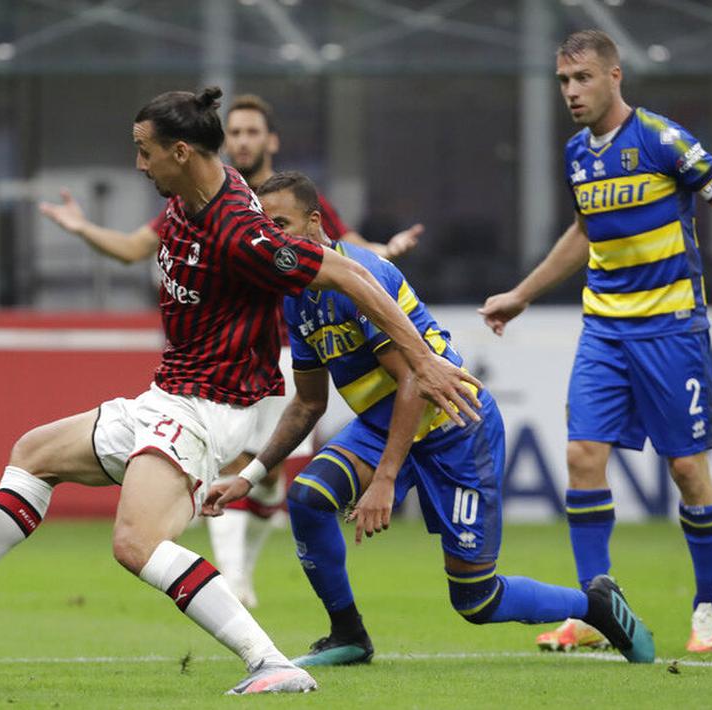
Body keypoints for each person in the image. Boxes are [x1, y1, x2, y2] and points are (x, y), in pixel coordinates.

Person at [0, 87, 482, 695]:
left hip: (212, 404)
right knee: (34, 451)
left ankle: (271, 662)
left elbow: (348, 270)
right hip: (168, 393)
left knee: (135, 543)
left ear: (179, 151)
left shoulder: (241, 233)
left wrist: (422, 359)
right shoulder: (183, 199)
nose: (138, 165)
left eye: (144, 153)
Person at [204, 170, 655, 668]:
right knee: (309, 499)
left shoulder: (359, 278)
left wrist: (386, 480)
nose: (273, 239)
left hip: (456, 427)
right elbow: (308, 404)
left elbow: (416, 379)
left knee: (477, 601)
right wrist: (250, 475)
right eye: (265, 229)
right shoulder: (296, 296)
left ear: (315, 223)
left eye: (282, 224)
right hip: (384, 425)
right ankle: (348, 635)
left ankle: (595, 605)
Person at [479, 30, 712, 654]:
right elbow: (585, 230)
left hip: (672, 329)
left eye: (581, 79)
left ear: (614, 77)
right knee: (582, 457)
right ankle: (595, 611)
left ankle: (708, 604)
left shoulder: (664, 140)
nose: (571, 92)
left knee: (687, 469)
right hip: (603, 328)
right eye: (562, 82)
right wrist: (523, 293)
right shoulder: (578, 152)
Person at [38, 93, 425, 609]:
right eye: (236, 132)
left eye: (251, 132)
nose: (242, 140)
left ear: (270, 140)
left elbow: (338, 249)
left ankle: (241, 569)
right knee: (240, 462)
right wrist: (83, 228)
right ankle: (236, 581)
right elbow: (136, 249)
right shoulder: (197, 199)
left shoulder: (284, 197)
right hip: (232, 364)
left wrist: (383, 256)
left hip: (290, 354)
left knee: (264, 482)